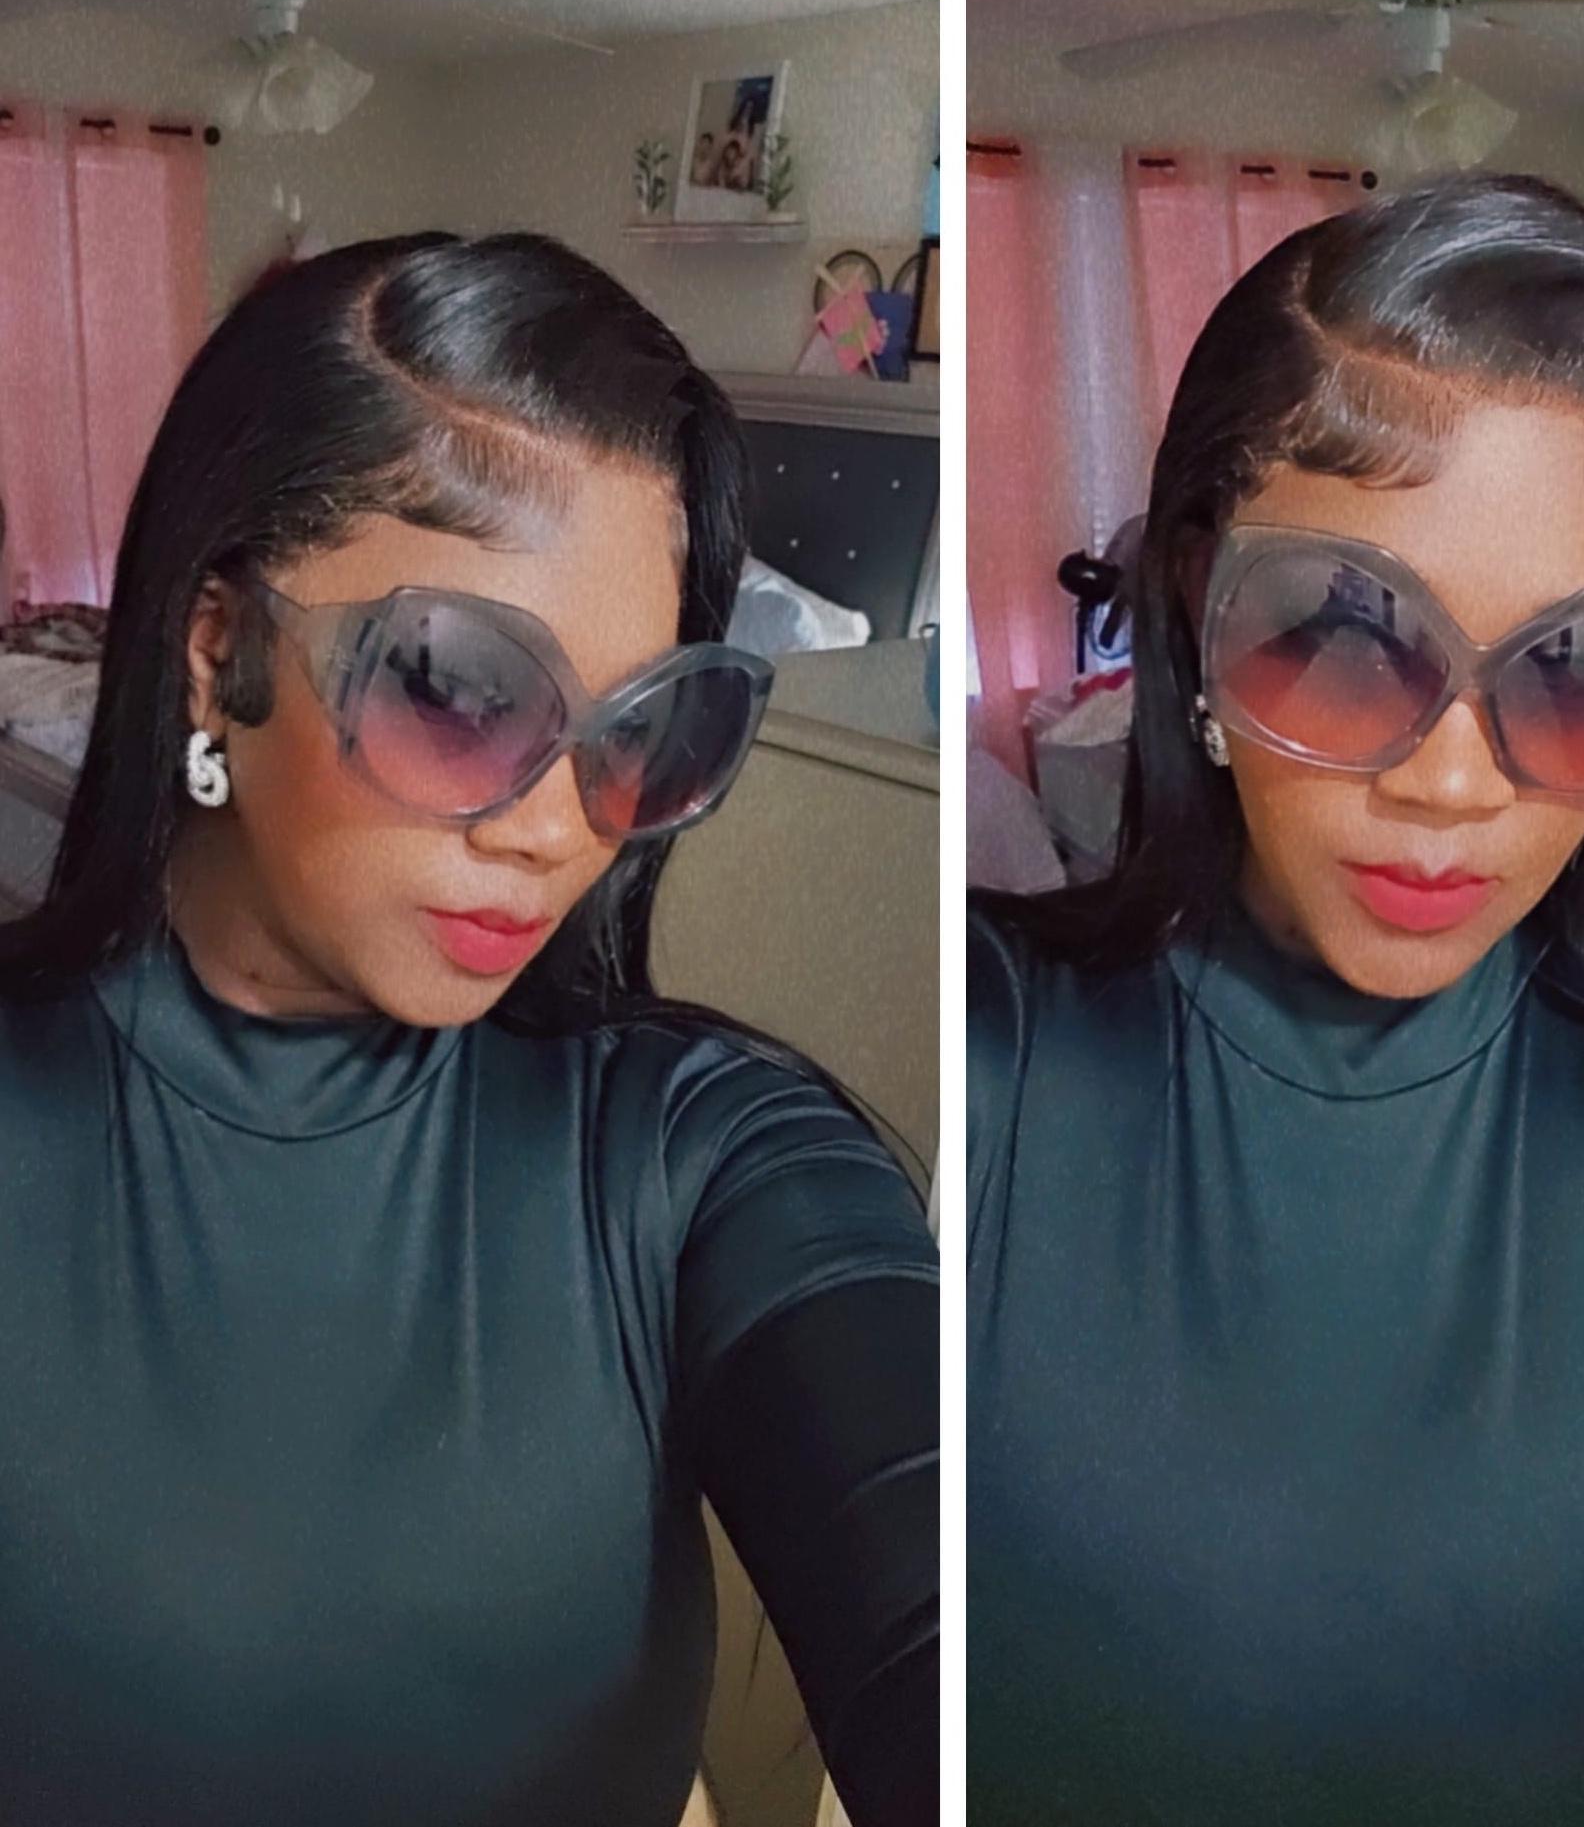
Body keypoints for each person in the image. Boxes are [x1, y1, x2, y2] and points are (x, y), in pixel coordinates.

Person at [968, 173, 1584, 1826]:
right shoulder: (989, 1053)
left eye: (1578, 665)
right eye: (1340, 632)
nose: (1453, 783)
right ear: (1192, 594)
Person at [0, 232, 938, 1826]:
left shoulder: (702, 1155)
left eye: (643, 728)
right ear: (221, 646)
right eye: (456, 687)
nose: (559, 828)